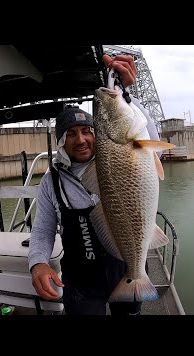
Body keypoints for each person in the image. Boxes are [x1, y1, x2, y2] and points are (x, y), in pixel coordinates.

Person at [28, 55, 160, 315]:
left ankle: (136, 277)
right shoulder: (50, 182)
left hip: (123, 268)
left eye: (87, 130)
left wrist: (128, 93)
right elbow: (43, 229)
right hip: (80, 282)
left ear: (97, 133)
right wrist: (38, 263)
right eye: (71, 134)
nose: (81, 139)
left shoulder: (115, 159)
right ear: (61, 142)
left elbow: (151, 142)